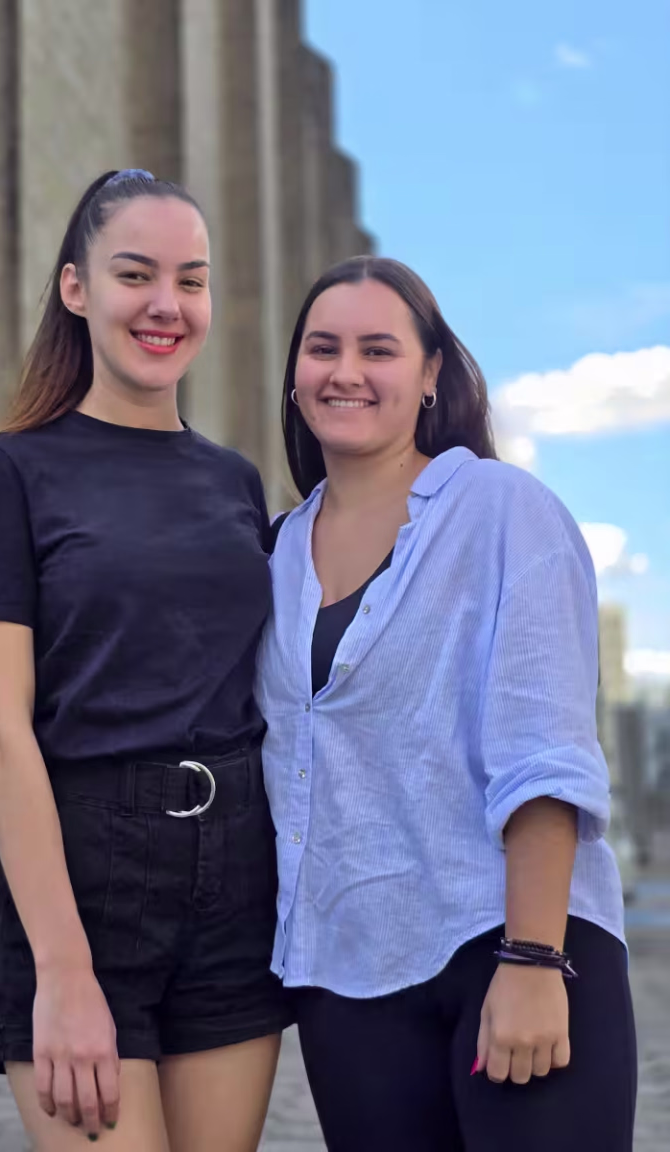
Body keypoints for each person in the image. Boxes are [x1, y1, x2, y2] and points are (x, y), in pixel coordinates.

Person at [0, 169, 291, 1151]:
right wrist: (64, 972)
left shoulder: (234, 481)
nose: (167, 304)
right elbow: (0, 735)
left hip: (236, 878)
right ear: (76, 288)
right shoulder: (9, 470)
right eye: (136, 275)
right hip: (84, 878)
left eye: (191, 280)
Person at [257, 255, 636, 1151]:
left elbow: (544, 748)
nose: (346, 372)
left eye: (378, 349)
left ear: (430, 373)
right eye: (323, 348)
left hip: (507, 942)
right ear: (296, 374)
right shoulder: (270, 554)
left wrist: (534, 958)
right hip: (347, 977)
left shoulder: (501, 510)